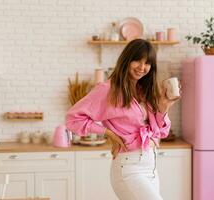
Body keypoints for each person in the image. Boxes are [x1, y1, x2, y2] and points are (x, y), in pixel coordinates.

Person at [66, 39, 181, 200]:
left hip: (151, 167)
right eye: (137, 61)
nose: (142, 67)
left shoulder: (144, 90)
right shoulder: (107, 89)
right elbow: (73, 119)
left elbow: (161, 132)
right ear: (127, 59)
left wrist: (164, 106)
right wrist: (108, 133)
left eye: (147, 63)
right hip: (129, 167)